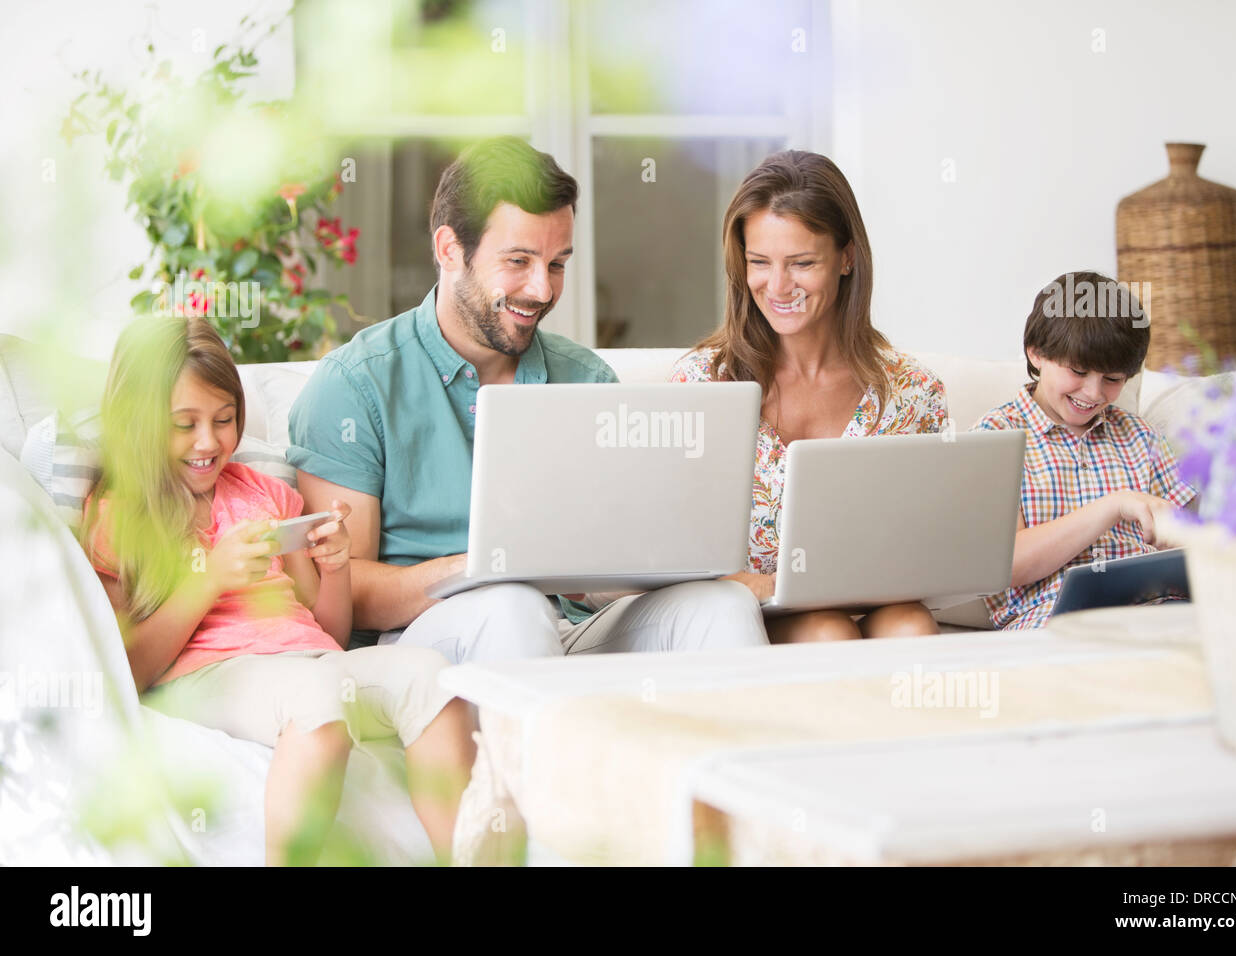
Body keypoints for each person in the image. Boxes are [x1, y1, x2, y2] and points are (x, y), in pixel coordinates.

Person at [288, 136, 766, 663]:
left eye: (557, 264)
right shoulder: (355, 385)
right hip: (425, 636)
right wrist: (483, 568)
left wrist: (650, 565)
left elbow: (608, 573)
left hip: (567, 628)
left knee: (724, 606)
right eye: (518, 261)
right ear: (449, 249)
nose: (541, 290)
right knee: (511, 605)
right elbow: (342, 587)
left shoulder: (586, 380)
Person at [81, 316, 474, 865]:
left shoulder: (264, 494)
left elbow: (328, 630)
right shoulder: (121, 516)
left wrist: (335, 568)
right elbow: (130, 670)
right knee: (317, 695)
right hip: (209, 673)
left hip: (309, 660)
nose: (208, 442)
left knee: (432, 675)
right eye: (183, 423)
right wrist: (211, 577)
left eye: (224, 419)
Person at [672, 150, 947, 642]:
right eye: (759, 262)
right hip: (747, 608)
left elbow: (928, 541)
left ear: (847, 259)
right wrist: (769, 586)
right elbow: (669, 542)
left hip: (870, 600)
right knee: (828, 632)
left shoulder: (913, 392)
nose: (778, 287)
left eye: (801, 263)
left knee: (912, 626)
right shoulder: (704, 384)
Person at [974, 271, 1198, 629]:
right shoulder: (994, 438)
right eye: (1078, 371)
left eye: (1112, 380)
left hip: (1156, 611)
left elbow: (1195, 540)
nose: (1093, 394)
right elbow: (1008, 565)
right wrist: (1113, 506)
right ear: (1036, 354)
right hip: (1052, 619)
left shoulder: (1140, 437)